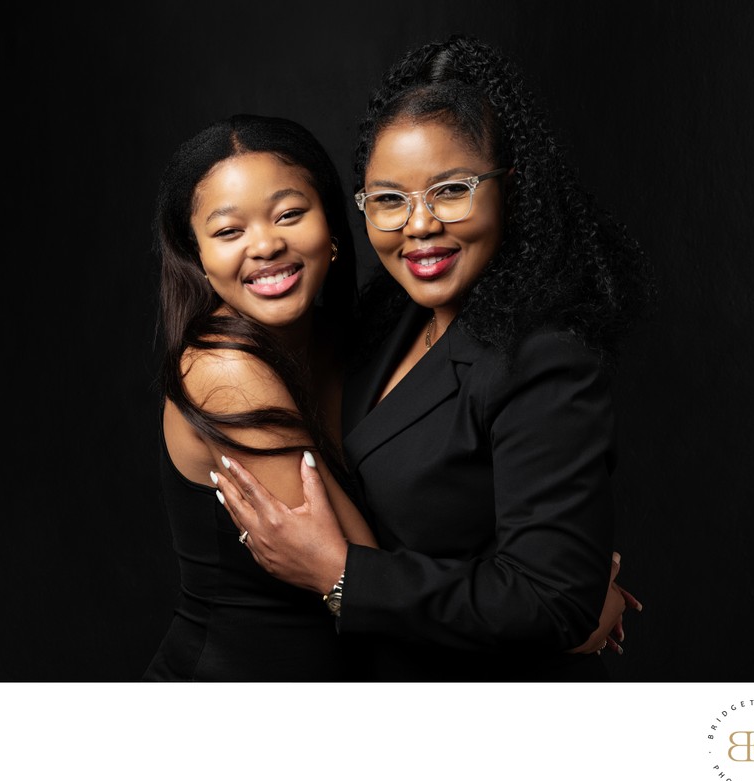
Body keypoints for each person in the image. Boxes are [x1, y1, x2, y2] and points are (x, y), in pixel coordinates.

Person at [213, 35, 654, 681]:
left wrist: (340, 575)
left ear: (513, 190)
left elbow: (551, 603)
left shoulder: (546, 358)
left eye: (451, 190)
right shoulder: (387, 321)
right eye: (389, 200)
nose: (418, 225)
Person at [142, 114, 380, 681]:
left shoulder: (359, 340)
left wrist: (546, 571)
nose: (267, 244)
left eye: (290, 214)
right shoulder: (223, 370)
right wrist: (539, 614)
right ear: (196, 255)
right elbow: (371, 583)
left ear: (332, 225)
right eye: (228, 232)